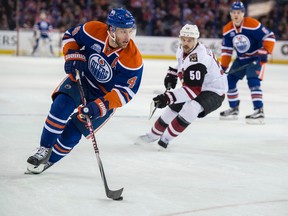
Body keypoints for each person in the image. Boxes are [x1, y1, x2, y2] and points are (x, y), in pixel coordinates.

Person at [26, 8, 143, 174]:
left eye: (130, 31)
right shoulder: (93, 30)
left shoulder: (133, 59)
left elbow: (126, 92)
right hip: (82, 79)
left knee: (74, 132)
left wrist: (99, 106)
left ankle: (48, 161)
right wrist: (72, 54)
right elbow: (70, 36)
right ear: (111, 29)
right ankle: (43, 149)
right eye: (123, 31)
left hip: (103, 96)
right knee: (61, 106)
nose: (127, 36)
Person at [135, 24, 228, 149]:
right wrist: (172, 74)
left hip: (215, 91)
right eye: (183, 39)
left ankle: (165, 139)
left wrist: (166, 98)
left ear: (196, 40)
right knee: (174, 106)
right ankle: (152, 135)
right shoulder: (183, 48)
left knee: (191, 107)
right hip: (200, 85)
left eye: (189, 40)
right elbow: (182, 63)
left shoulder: (198, 59)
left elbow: (192, 91)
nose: (186, 43)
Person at [219, 1, 276, 124]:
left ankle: (259, 110)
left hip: (256, 57)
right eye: (233, 12)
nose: (236, 15)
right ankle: (234, 108)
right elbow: (227, 50)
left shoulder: (252, 24)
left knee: (253, 81)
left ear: (243, 13)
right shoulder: (227, 29)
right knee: (229, 81)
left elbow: (269, 36)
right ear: (230, 14)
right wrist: (223, 66)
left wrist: (265, 50)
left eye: (238, 12)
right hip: (241, 59)